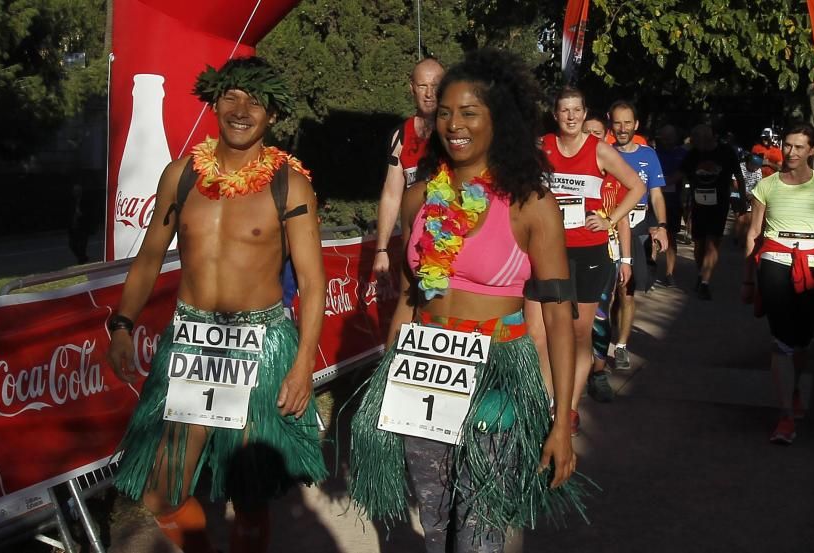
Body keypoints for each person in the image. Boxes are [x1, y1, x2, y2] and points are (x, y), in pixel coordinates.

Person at [350, 49, 588, 552]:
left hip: (497, 371)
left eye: (469, 112)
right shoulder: (420, 199)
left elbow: (560, 318)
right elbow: (413, 299)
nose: (453, 124)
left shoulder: (531, 203)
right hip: (424, 367)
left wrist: (560, 419)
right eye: (444, 113)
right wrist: (386, 380)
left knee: (479, 530)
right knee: (436, 523)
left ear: (497, 119)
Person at [106, 57, 327, 553]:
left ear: (272, 114)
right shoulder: (180, 175)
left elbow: (312, 282)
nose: (241, 109)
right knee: (160, 493)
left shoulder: (289, 184)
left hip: (261, 343)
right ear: (213, 102)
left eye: (255, 100)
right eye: (230, 96)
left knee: (249, 494)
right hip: (191, 342)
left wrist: (302, 363)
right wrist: (122, 324)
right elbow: (147, 258)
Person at [530, 87, 646, 435]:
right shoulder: (542, 147)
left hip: (588, 252)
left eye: (576, 110)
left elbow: (636, 187)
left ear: (584, 114)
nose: (570, 116)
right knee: (540, 334)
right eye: (564, 110)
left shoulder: (600, 150)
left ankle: (569, 407)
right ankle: (547, 402)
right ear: (555, 114)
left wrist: (610, 219)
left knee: (580, 335)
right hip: (548, 249)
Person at [743, 123, 814, 445]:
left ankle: (794, 390)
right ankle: (784, 416)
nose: (791, 152)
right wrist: (748, 280)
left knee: (802, 339)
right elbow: (754, 233)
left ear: (812, 150)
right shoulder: (767, 185)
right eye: (788, 146)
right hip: (774, 263)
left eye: (799, 147)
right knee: (781, 338)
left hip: (813, 266)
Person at [607, 101, 668, 371]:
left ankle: (621, 346)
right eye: (617, 123)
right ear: (611, 123)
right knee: (607, 293)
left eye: (627, 123)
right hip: (609, 226)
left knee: (627, 291)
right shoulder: (604, 153)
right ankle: (605, 335)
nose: (622, 128)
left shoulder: (648, 155)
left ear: (636, 125)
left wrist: (662, 225)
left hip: (638, 226)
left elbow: (655, 193)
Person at [373, 58, 446, 275]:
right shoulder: (401, 136)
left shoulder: (456, 130)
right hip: (414, 244)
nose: (429, 93)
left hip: (453, 243)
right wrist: (381, 249)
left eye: (435, 86)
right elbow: (391, 195)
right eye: (423, 86)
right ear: (412, 88)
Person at [581, 114, 631, 402]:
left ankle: (598, 372)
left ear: (606, 135)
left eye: (597, 132)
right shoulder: (567, 169)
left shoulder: (615, 174)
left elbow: (622, 221)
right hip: (570, 253)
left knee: (600, 313)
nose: (592, 137)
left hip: (606, 253)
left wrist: (626, 261)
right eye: (588, 132)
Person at [681, 124, 746, 300]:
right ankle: (701, 273)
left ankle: (705, 282)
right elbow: (682, 176)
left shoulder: (726, 152)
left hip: (719, 203)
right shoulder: (693, 154)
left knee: (712, 242)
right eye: (696, 140)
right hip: (698, 202)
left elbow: (739, 176)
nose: (699, 143)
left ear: (711, 138)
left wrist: (741, 200)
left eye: (702, 140)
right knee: (699, 244)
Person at [654, 124, 688, 284]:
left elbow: (684, 174)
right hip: (654, 199)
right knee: (652, 234)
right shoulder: (654, 153)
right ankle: (650, 270)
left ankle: (669, 273)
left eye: (670, 137)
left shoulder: (682, 154)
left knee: (671, 236)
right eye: (664, 137)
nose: (666, 140)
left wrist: (665, 181)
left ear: (675, 138)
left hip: (674, 200)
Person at [732, 153, 764, 247]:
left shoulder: (758, 170)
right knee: (741, 218)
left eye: (757, 166)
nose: (755, 169)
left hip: (751, 195)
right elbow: (735, 184)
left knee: (749, 220)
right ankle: (737, 237)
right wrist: (745, 194)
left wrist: (754, 195)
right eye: (753, 166)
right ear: (748, 163)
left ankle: (744, 240)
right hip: (737, 195)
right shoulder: (740, 168)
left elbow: (759, 184)